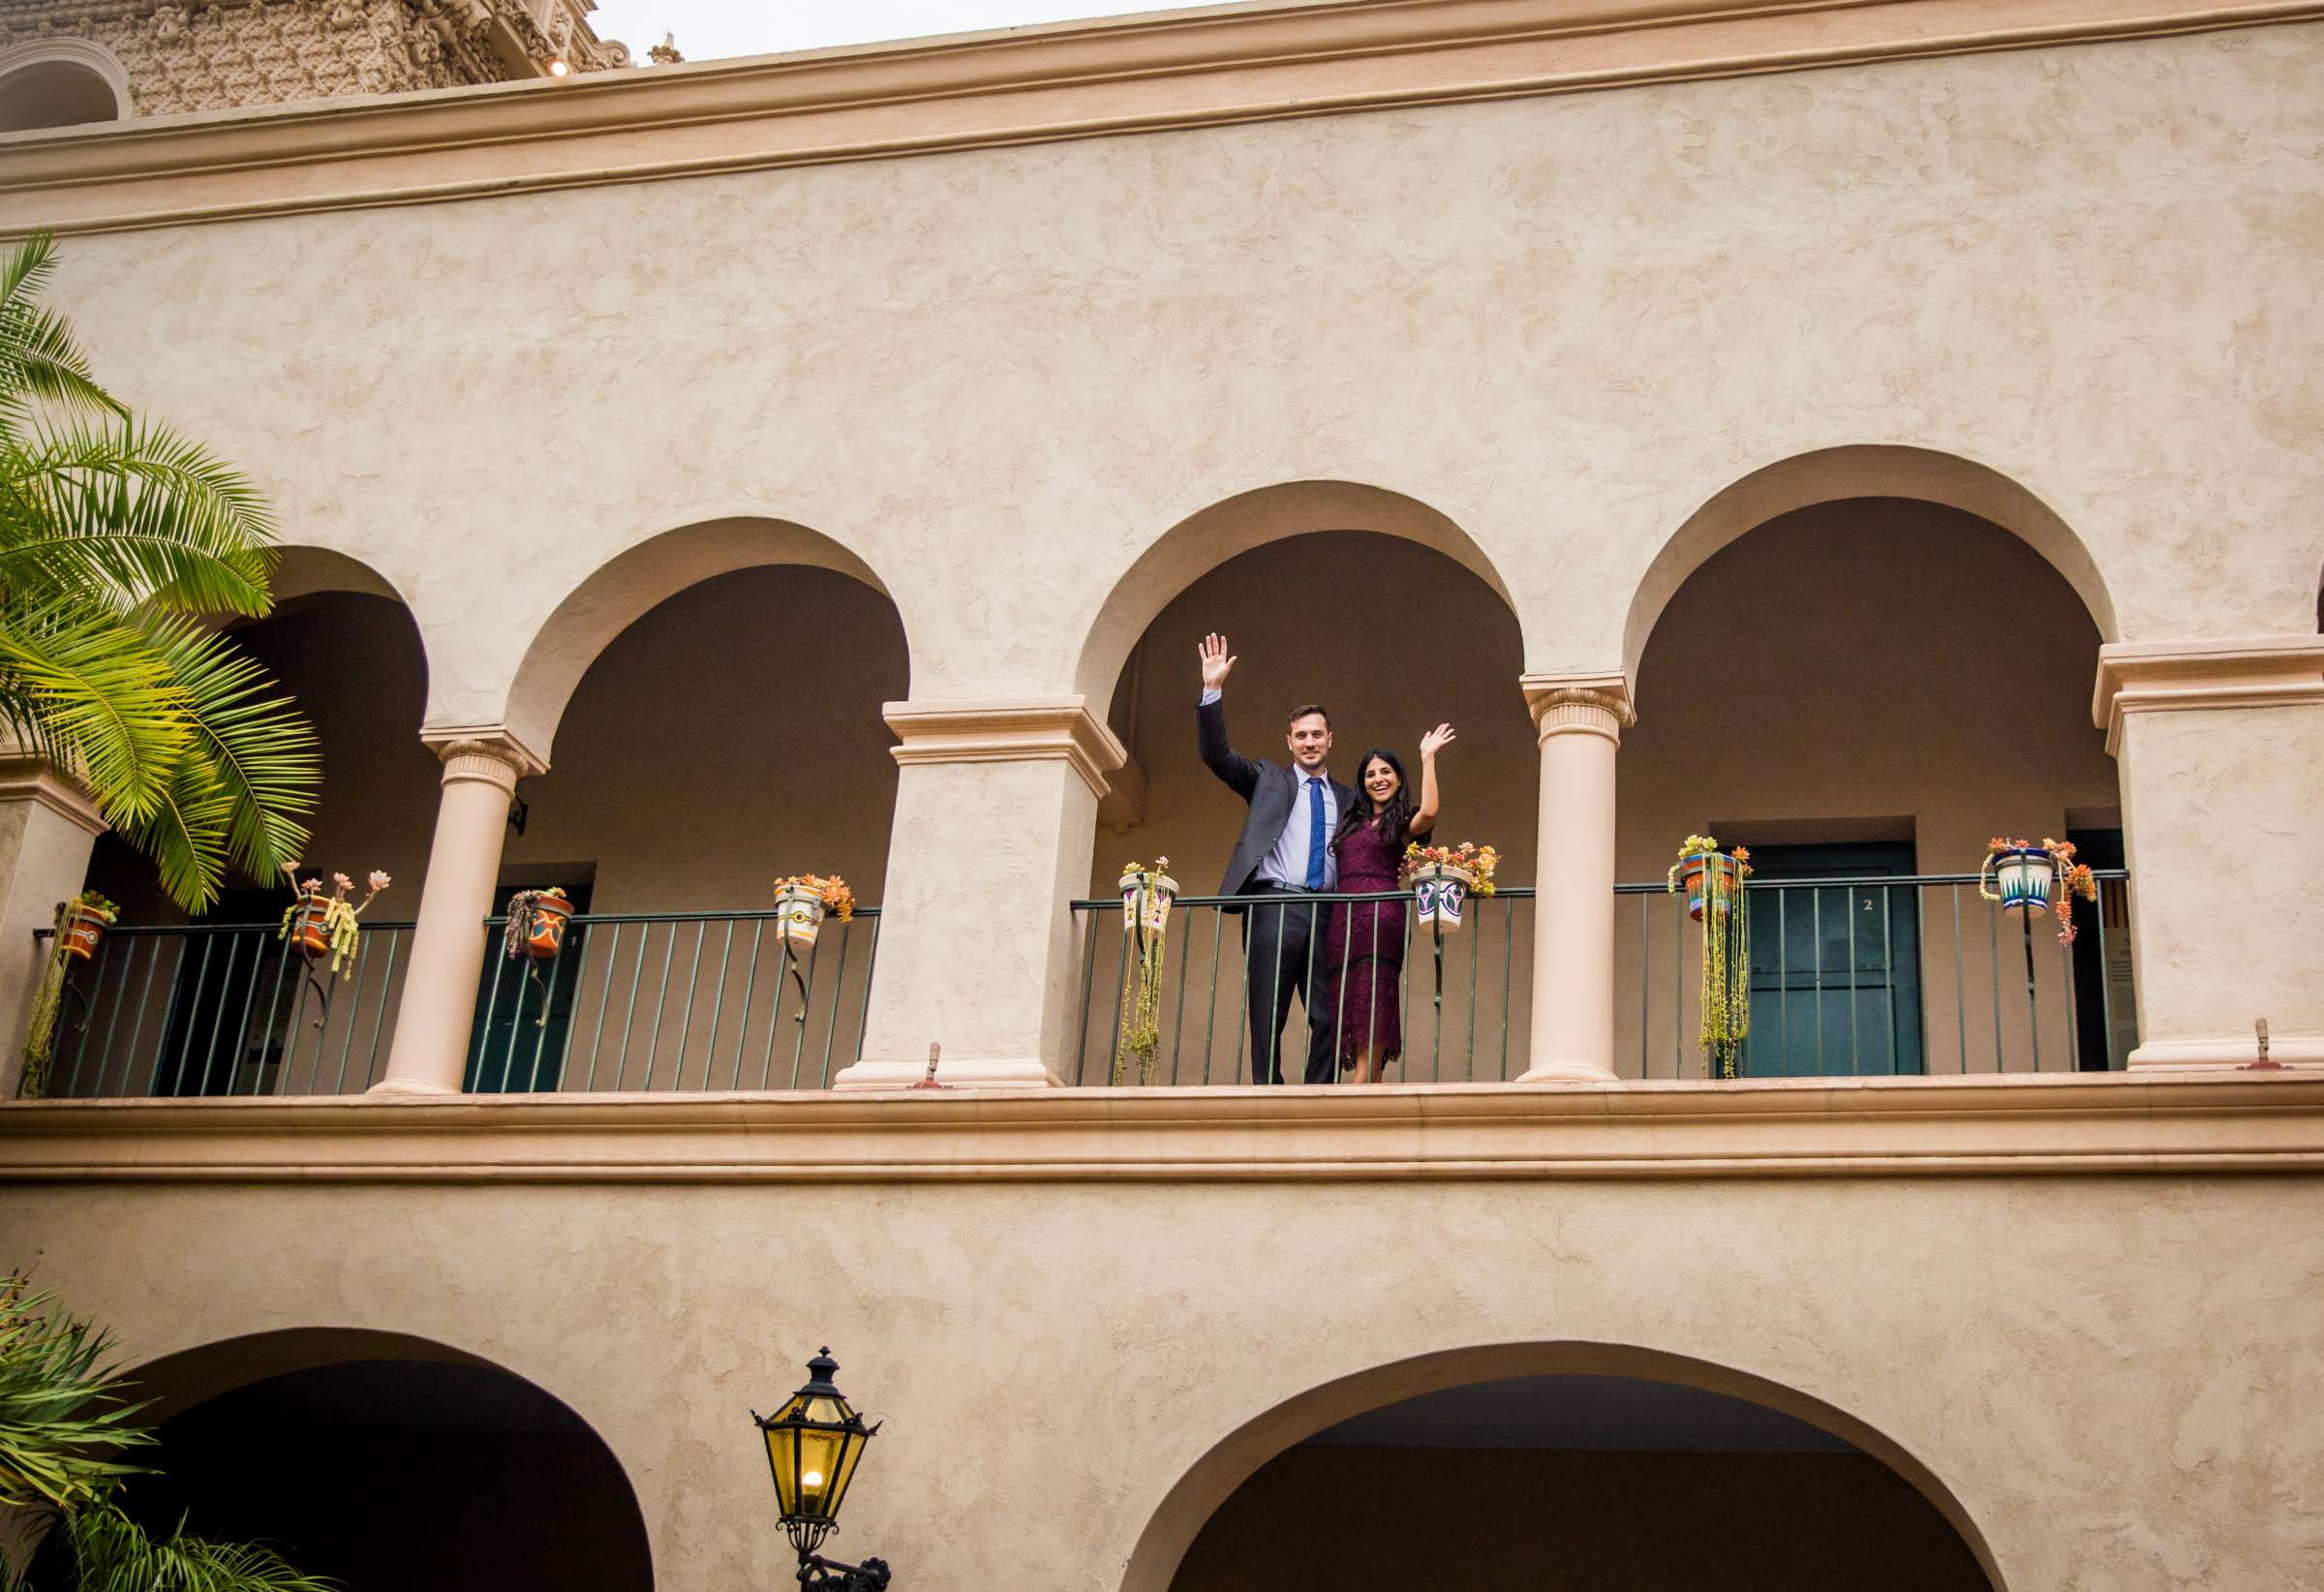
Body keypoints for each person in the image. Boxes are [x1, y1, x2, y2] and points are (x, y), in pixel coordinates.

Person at [1195, 633, 1356, 1085]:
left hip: (1326, 911)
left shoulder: (1347, 798)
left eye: (1316, 734)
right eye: (1301, 736)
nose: (1309, 742)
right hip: (1273, 905)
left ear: (1330, 739)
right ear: (1289, 742)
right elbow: (1217, 755)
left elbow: (1384, 833)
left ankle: (1319, 1092)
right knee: (1268, 1011)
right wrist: (1212, 690)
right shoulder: (1267, 779)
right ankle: (1269, 1093)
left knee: (1329, 1014)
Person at [1323, 730, 1453, 1084]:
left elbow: (1429, 812)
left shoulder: (1400, 822)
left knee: (1374, 988)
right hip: (1344, 915)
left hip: (1381, 912)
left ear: (1398, 778)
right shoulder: (1352, 822)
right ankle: (1372, 1080)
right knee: (1349, 990)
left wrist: (1428, 759)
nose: (1378, 779)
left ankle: (1363, 1078)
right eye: (1370, 774)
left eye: (1385, 772)